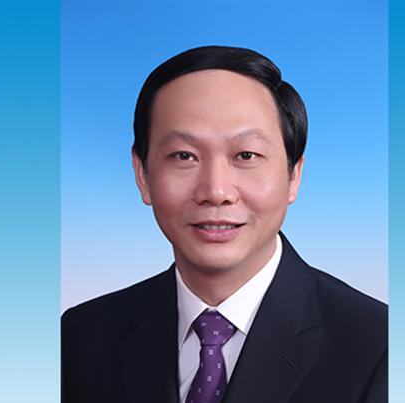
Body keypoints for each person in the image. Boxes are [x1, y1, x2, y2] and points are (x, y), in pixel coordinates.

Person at [61, 45, 387, 403]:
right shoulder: (79, 338)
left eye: (246, 155)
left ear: (293, 174)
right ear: (143, 174)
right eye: (184, 156)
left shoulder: (380, 348)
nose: (215, 192)